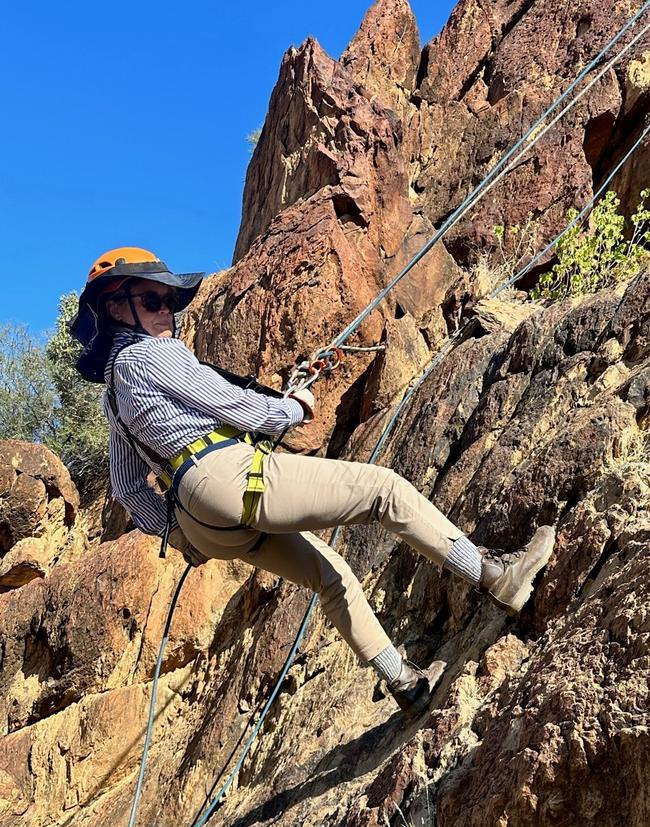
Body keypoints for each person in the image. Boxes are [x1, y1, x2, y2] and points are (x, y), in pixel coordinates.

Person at [71, 247, 556, 716]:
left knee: (331, 576)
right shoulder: (153, 355)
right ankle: (496, 577)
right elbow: (226, 403)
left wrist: (177, 535)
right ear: (116, 307)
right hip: (227, 477)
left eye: (169, 301)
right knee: (383, 490)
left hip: (202, 521)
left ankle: (405, 684)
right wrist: (290, 409)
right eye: (153, 300)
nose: (167, 312)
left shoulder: (113, 393)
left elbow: (129, 487)